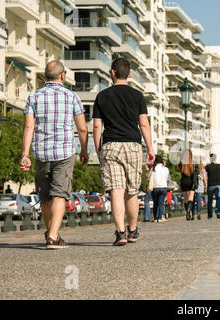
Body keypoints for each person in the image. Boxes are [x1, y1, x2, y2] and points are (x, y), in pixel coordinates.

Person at [20, 60, 88, 249]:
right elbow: (82, 128)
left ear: (44, 76)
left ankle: (51, 234)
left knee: (45, 196)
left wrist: (25, 154)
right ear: (62, 75)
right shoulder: (72, 96)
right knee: (59, 194)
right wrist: (84, 149)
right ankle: (53, 235)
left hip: (41, 152)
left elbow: (28, 127)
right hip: (64, 152)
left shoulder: (34, 97)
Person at [93, 58, 155, 246]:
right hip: (133, 146)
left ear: (112, 73)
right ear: (129, 74)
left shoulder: (102, 96)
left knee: (116, 191)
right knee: (132, 192)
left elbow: (97, 126)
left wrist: (98, 148)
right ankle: (133, 230)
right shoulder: (137, 96)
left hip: (111, 144)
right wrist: (150, 149)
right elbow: (143, 124)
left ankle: (120, 232)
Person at [205, 153, 220, 219]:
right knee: (218, 199)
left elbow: (205, 177)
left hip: (210, 185)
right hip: (218, 185)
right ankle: (218, 212)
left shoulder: (207, 167)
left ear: (210, 159)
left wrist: (205, 186)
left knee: (210, 200)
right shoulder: (219, 166)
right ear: (215, 158)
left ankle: (210, 215)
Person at [178, 149, 195, 221]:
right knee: (190, 198)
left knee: (185, 198)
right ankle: (188, 212)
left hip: (183, 181)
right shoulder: (193, 163)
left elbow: (178, 169)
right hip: (191, 181)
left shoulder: (181, 163)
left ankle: (187, 212)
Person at [152, 155, 170, 223]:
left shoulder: (153, 168)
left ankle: (155, 217)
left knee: (155, 203)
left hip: (155, 187)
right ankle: (160, 217)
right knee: (161, 203)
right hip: (163, 187)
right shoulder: (165, 169)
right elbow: (167, 178)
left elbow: (149, 178)